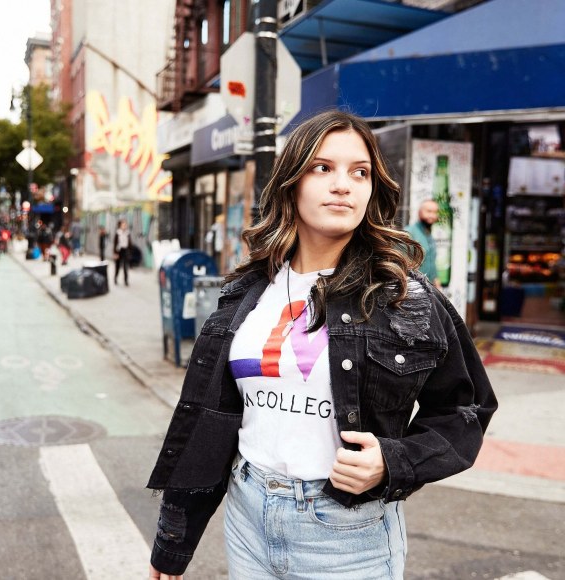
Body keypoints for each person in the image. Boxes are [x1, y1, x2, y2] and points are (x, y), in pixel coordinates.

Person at [147, 111, 497, 580]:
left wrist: (392, 462)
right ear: (291, 181)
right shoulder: (247, 292)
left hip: (345, 536)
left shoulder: (403, 295)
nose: (343, 185)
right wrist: (175, 544)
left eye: (360, 172)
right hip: (248, 514)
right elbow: (212, 421)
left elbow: (466, 409)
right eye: (322, 167)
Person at [405, 199, 441, 288]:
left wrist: (436, 281)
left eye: (435, 212)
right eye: (429, 211)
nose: (432, 215)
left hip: (428, 288)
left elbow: (431, 261)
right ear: (419, 212)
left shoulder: (428, 235)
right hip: (413, 289)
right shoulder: (409, 233)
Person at [113, 219, 130, 285]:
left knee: (126, 266)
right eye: (123, 225)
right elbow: (115, 243)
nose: (124, 226)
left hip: (125, 250)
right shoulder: (118, 233)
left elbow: (129, 243)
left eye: (125, 225)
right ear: (120, 226)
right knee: (117, 266)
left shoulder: (127, 233)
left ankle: (126, 280)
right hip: (118, 251)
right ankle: (115, 278)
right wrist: (115, 253)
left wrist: (130, 251)